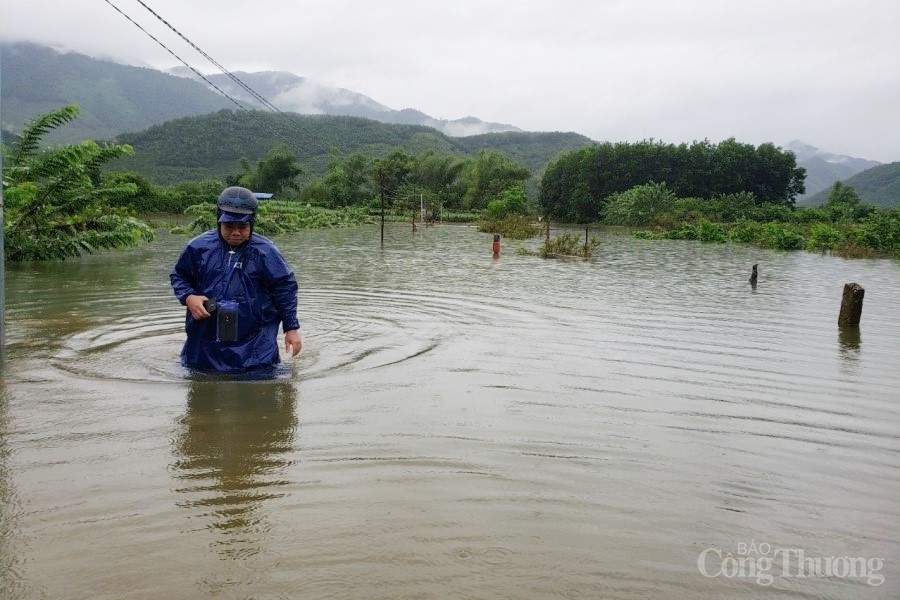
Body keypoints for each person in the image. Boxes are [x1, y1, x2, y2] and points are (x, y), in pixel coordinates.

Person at [170, 186, 302, 372]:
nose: (236, 232)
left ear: (252, 223)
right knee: (202, 385)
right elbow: (179, 276)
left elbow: (285, 289)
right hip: (205, 342)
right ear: (218, 221)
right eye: (229, 226)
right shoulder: (198, 247)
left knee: (259, 390)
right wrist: (189, 297)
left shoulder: (266, 251)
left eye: (242, 226)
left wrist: (291, 328)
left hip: (255, 344)